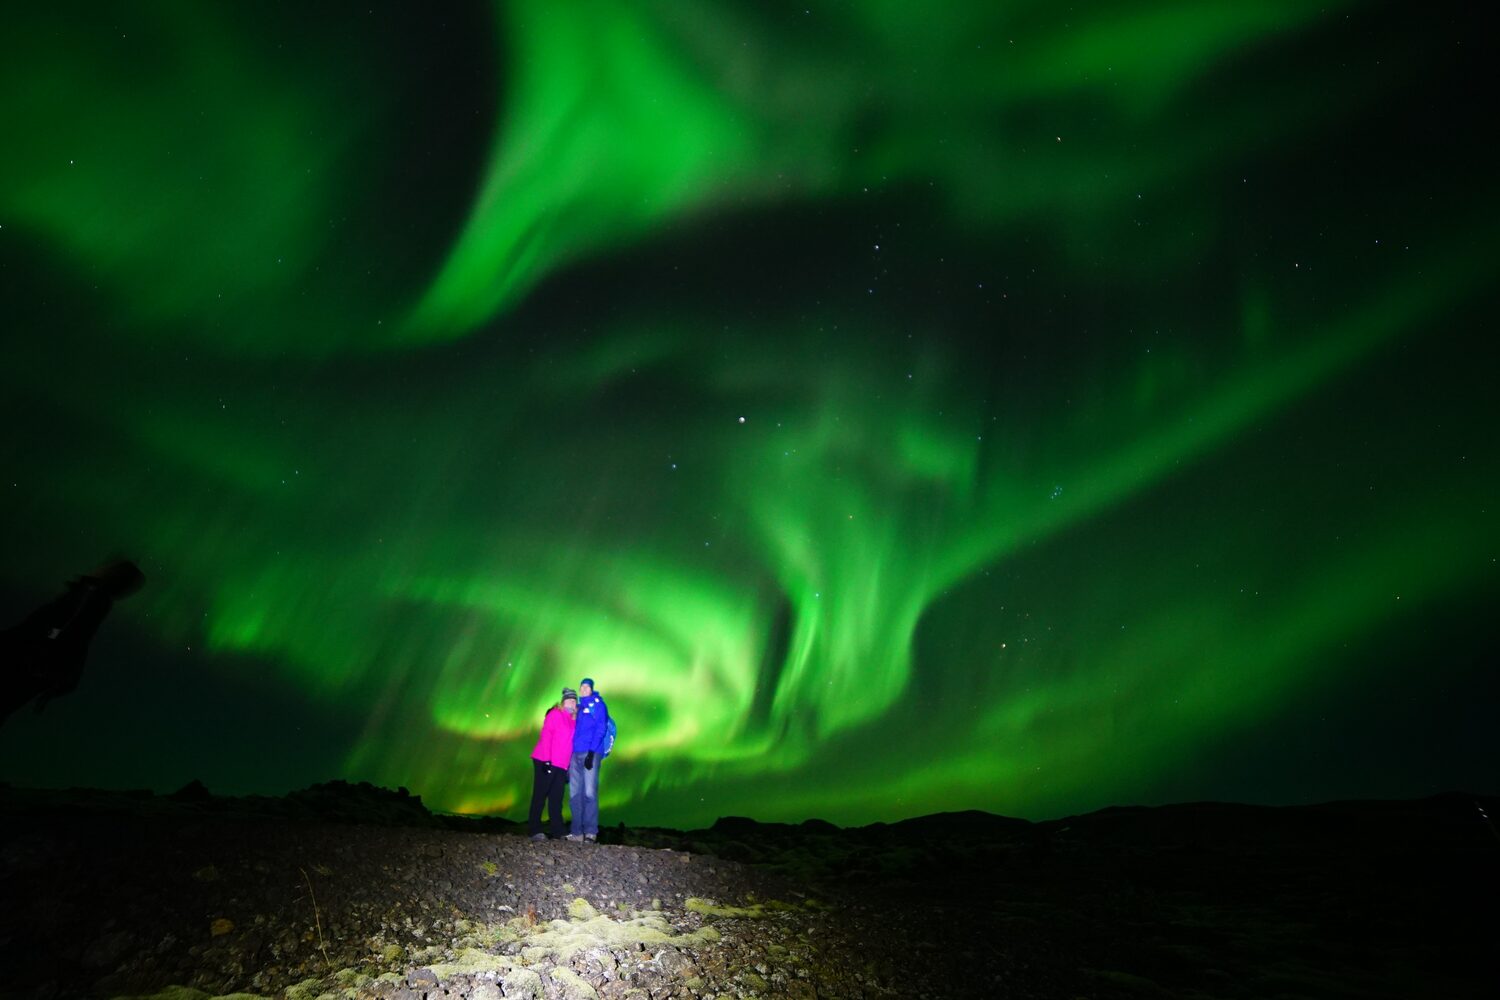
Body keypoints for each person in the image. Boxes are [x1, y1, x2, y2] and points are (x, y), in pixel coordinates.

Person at [1, 559, 145, 725]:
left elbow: (66, 625)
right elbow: (79, 639)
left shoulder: (91, 594)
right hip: (33, 665)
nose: (101, 566)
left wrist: (44, 646)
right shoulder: (97, 598)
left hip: (24, 658)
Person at [528, 687, 577, 840]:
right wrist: (547, 760)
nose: (571, 702)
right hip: (545, 760)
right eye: (569, 699)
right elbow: (546, 735)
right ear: (563, 702)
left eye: (574, 700)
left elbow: (570, 744)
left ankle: (558, 831)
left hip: (562, 765)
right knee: (540, 795)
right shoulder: (555, 714)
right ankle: (535, 830)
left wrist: (568, 767)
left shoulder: (574, 720)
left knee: (556, 798)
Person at [567, 676, 609, 843]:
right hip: (574, 755)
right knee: (575, 794)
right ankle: (577, 832)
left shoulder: (598, 704)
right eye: (581, 687)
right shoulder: (578, 707)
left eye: (587, 687)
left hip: (590, 753)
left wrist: (592, 752)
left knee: (589, 792)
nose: (584, 689)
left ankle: (591, 832)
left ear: (591, 689)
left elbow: (601, 728)